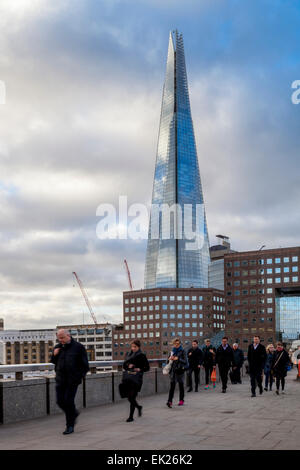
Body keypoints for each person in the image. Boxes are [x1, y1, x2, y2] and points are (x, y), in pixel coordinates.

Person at [50, 329, 89, 435]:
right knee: (60, 401)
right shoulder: (57, 347)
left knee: (68, 401)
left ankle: (70, 425)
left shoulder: (78, 347)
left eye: (62, 337)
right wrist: (54, 355)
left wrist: (78, 377)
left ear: (68, 335)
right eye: (59, 338)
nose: (60, 340)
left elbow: (85, 365)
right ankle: (74, 413)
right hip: (60, 379)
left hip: (72, 381)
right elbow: (53, 361)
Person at [122, 339, 150, 422]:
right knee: (129, 398)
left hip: (136, 379)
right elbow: (124, 365)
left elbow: (147, 368)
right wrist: (128, 366)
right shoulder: (128, 354)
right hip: (128, 378)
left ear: (138, 347)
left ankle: (131, 417)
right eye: (132, 346)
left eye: (135, 347)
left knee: (132, 396)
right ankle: (138, 407)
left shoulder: (142, 355)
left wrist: (139, 369)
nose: (133, 348)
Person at [166, 338, 189, 408]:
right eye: (175, 344)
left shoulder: (183, 351)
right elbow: (168, 361)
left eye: (178, 344)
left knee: (181, 386)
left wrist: (178, 359)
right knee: (172, 387)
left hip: (180, 371)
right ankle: (169, 401)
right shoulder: (172, 351)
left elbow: (186, 362)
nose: (176, 345)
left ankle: (181, 400)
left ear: (180, 344)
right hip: (173, 371)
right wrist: (169, 359)